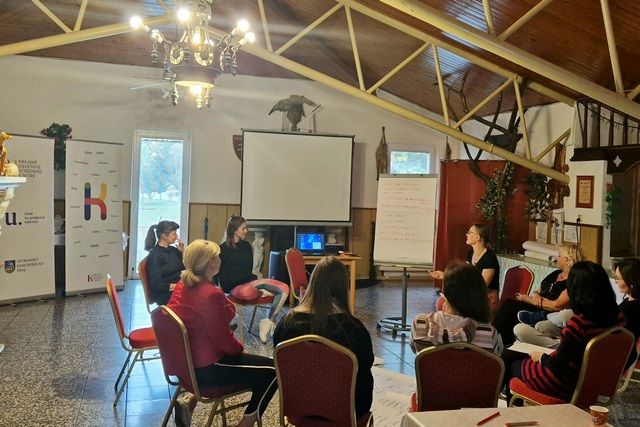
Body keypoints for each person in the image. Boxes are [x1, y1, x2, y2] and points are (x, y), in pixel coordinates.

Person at [167, 239, 277, 427]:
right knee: (273, 371)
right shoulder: (210, 294)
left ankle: (190, 400)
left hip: (185, 366)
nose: (221, 259)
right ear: (211, 262)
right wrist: (241, 350)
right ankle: (246, 423)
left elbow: (226, 313)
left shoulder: (182, 286)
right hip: (208, 369)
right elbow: (223, 341)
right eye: (218, 256)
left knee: (258, 367)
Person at [502, 261, 624, 403]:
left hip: (563, 384)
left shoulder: (579, 324)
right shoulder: (618, 319)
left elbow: (557, 368)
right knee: (511, 351)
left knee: (509, 360)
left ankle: (508, 410)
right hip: (591, 383)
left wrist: (540, 357)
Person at [273, 256, 374, 419]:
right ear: (344, 286)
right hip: (345, 412)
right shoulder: (355, 329)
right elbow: (365, 366)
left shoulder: (288, 322)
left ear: (313, 282)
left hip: (299, 409)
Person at [492, 244, 583, 346]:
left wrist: (529, 300)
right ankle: (499, 341)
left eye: (559, 255)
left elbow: (556, 306)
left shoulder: (573, 280)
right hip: (536, 305)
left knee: (509, 308)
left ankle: (495, 340)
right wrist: (535, 295)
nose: (556, 258)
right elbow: (537, 291)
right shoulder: (555, 273)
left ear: (567, 260)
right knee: (508, 306)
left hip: (548, 312)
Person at [217, 216, 289, 343]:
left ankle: (268, 321)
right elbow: (223, 277)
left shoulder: (246, 246)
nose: (246, 231)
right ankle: (261, 292)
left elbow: (248, 271)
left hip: (250, 282)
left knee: (284, 289)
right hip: (234, 287)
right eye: (243, 228)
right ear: (234, 230)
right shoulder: (221, 249)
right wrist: (260, 291)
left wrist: (255, 284)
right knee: (247, 293)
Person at [412, 261, 503, 354]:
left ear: (445, 292)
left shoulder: (420, 323)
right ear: (480, 294)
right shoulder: (489, 333)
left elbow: (417, 354)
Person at [431, 224, 500, 307]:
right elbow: (466, 275)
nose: (466, 234)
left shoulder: (490, 257)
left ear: (477, 237)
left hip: (486, 296)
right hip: (471, 292)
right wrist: (445, 275)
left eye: (469, 232)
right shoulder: (470, 253)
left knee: (445, 304)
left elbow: (482, 286)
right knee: (441, 302)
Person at [144, 220, 185, 305]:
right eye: (174, 234)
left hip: (177, 289)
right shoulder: (155, 256)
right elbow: (156, 285)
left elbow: (184, 268)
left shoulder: (174, 250)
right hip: (165, 295)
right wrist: (180, 287)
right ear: (164, 236)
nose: (177, 237)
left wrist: (182, 252)